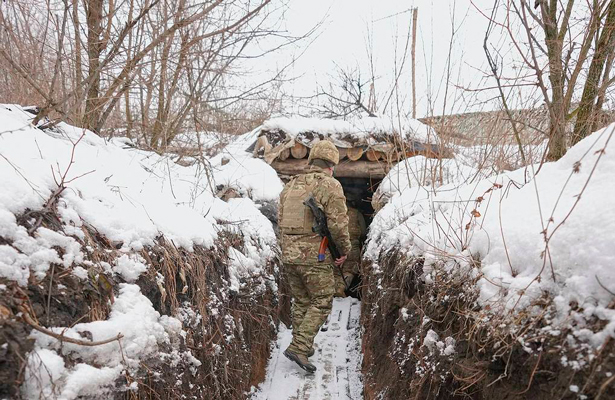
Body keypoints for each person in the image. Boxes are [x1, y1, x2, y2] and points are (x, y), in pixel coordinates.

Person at [278, 140, 352, 373]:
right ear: (332, 165)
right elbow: (339, 224)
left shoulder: (290, 185)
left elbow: (281, 219)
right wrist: (344, 251)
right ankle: (300, 346)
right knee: (321, 301)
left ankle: (303, 345)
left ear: (312, 162)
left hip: (289, 255)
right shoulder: (330, 185)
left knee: (302, 301)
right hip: (315, 256)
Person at [334, 204, 366, 297]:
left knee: (335, 267)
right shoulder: (356, 213)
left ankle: (333, 288)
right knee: (350, 268)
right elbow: (363, 231)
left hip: (336, 245)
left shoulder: (334, 212)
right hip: (352, 245)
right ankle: (341, 288)